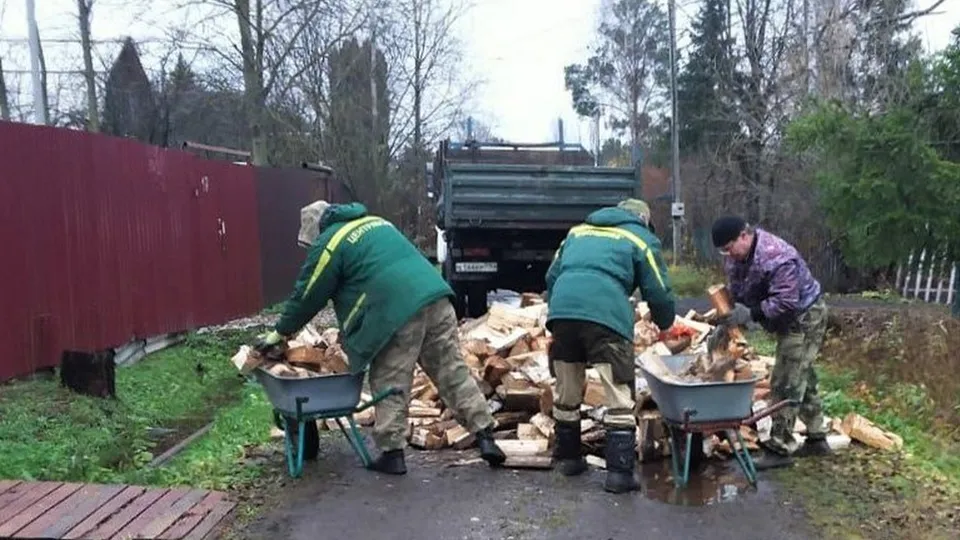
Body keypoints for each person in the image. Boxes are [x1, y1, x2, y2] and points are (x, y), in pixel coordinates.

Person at [254, 200, 506, 475]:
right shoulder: (376, 222)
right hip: (436, 298)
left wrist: (280, 332)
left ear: (315, 230)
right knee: (451, 370)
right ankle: (485, 435)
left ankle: (392, 453)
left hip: (395, 310)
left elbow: (307, 294)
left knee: (390, 378)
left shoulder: (331, 241)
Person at [544, 198, 676, 494]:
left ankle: (568, 460)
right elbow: (658, 289)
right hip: (606, 317)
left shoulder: (577, 232)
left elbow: (552, 275)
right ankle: (619, 474)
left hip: (563, 314)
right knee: (618, 394)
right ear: (643, 219)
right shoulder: (640, 238)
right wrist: (665, 322)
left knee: (566, 390)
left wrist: (559, 308)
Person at [710, 215, 830, 470]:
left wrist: (751, 314)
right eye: (724, 251)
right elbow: (738, 291)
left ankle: (780, 447)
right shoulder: (736, 257)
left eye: (730, 247)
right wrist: (727, 322)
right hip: (787, 318)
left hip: (804, 317)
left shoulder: (776, 256)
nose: (729, 255)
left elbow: (787, 301)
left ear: (744, 235)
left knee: (786, 381)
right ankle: (817, 438)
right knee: (800, 375)